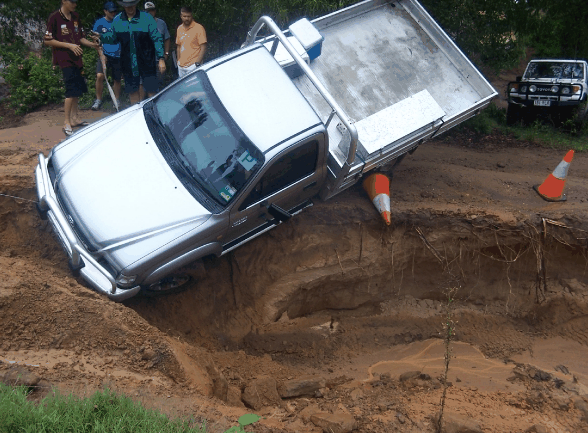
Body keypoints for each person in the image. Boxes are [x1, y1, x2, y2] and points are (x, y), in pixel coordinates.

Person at [44, 0, 99, 136]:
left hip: (77, 58)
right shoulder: (54, 17)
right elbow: (47, 40)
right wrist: (69, 45)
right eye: (72, 1)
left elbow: (80, 38)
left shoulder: (75, 17)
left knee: (77, 89)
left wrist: (93, 45)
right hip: (64, 58)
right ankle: (66, 122)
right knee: (70, 90)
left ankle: (75, 118)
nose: (75, 4)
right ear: (64, 1)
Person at [97, 0, 165, 105]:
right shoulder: (118, 20)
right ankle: (136, 117)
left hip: (147, 61)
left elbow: (157, 39)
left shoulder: (146, 18)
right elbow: (113, 38)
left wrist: (161, 58)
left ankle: (153, 115)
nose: (130, 8)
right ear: (123, 6)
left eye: (132, 5)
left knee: (152, 91)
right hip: (128, 63)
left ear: (136, 4)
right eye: (127, 6)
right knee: (133, 91)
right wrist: (101, 38)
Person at [91, 2, 122, 110]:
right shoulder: (99, 23)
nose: (113, 13)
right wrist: (101, 54)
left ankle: (116, 100)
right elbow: (95, 39)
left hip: (117, 54)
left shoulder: (119, 21)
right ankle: (98, 99)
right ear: (105, 11)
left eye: (115, 11)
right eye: (111, 11)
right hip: (104, 54)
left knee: (117, 78)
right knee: (100, 76)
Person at [140, 1, 170, 99]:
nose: (150, 13)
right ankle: (140, 106)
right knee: (141, 85)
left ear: (155, 11)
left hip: (158, 60)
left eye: (152, 10)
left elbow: (167, 39)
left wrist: (166, 53)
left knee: (156, 86)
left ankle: (155, 105)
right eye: (147, 11)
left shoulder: (161, 23)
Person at [176, 6, 207, 78]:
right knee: (183, 88)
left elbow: (203, 47)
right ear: (181, 16)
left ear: (192, 15)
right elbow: (178, 46)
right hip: (181, 67)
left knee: (194, 88)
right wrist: (178, 62)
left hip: (193, 65)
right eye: (184, 16)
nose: (186, 18)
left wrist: (197, 63)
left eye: (188, 16)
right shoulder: (179, 28)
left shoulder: (199, 28)